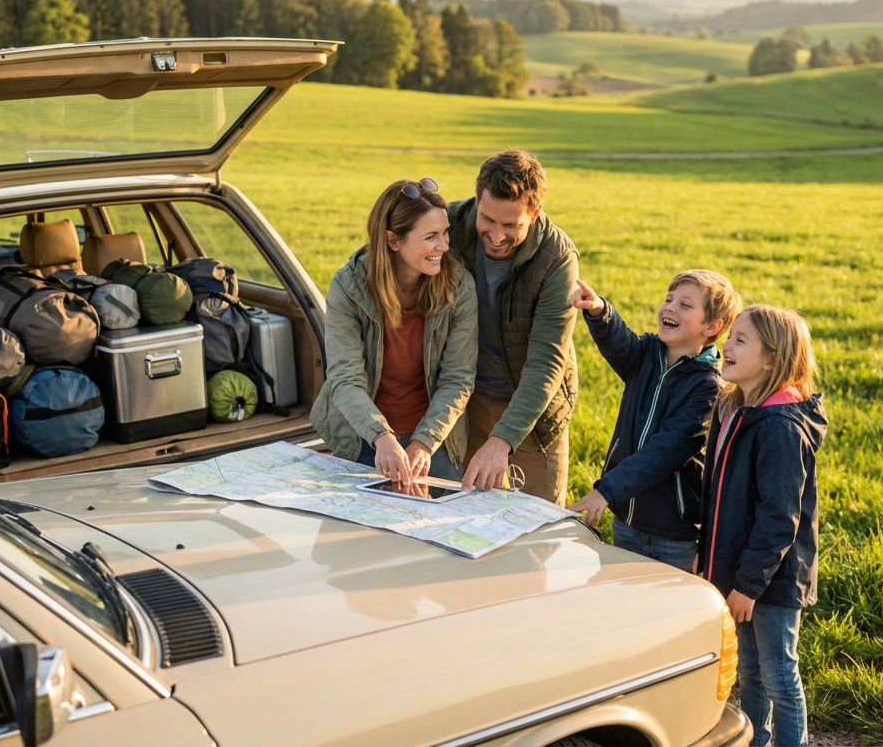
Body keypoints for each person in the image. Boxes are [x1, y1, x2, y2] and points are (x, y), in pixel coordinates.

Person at [697, 305, 825, 747]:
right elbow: (720, 498)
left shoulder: (781, 427)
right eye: (729, 337)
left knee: (779, 675)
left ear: (771, 360)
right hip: (740, 573)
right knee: (749, 670)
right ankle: (752, 738)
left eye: (740, 340)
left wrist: (749, 585)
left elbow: (779, 518)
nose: (727, 346)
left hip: (770, 579)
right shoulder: (735, 409)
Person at [567, 270, 740, 572]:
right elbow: (619, 342)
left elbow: (664, 451)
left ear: (712, 326)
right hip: (627, 521)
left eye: (685, 305)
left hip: (674, 537)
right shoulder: (645, 354)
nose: (670, 307)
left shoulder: (708, 388)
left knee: (669, 600)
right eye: (668, 299)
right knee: (623, 593)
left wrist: (607, 490)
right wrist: (599, 310)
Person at [311, 178, 478, 485]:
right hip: (365, 437)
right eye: (430, 237)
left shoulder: (459, 286)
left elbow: (458, 378)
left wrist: (424, 442)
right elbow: (345, 378)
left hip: (435, 437)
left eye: (445, 233)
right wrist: (382, 438)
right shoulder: (349, 287)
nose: (444, 246)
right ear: (393, 241)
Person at [448, 149, 579, 505]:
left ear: (534, 214)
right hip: (466, 401)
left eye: (511, 226)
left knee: (536, 521)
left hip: (533, 408)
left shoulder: (558, 258)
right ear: (477, 200)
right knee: (465, 513)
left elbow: (546, 362)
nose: (496, 236)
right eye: (487, 219)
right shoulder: (449, 226)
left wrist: (502, 440)